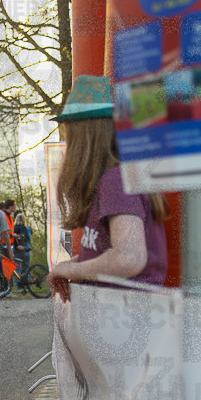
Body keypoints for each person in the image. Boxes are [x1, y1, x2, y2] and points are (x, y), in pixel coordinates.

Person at [47, 75, 168, 302]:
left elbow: (129, 258)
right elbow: (108, 251)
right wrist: (71, 264)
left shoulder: (115, 180)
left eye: (69, 129)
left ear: (85, 134)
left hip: (125, 318)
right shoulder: (119, 177)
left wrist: (73, 270)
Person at [12, 211, 32, 285]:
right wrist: (24, 246)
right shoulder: (27, 229)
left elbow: (11, 240)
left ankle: (18, 285)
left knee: (17, 268)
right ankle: (27, 285)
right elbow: (29, 240)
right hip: (26, 250)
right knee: (26, 268)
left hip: (16, 251)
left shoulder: (13, 229)